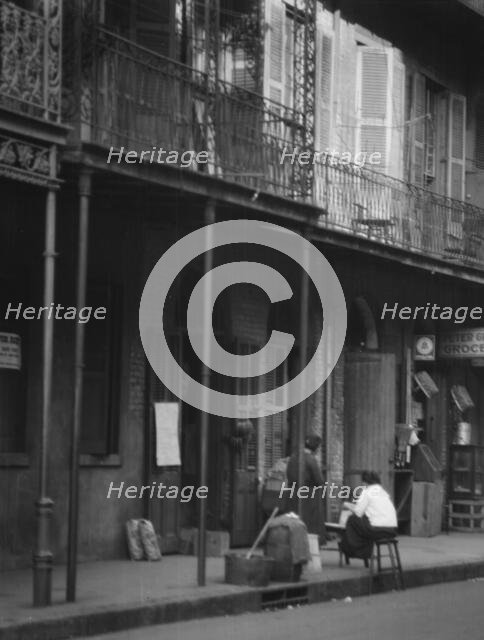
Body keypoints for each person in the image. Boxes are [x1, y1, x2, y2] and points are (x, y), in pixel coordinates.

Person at [339, 470, 398, 560]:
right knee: (365, 522)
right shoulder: (383, 493)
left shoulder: (367, 491)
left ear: (365, 482)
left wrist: (346, 505)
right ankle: (361, 551)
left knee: (352, 519)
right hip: (391, 530)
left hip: (377, 530)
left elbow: (358, 512)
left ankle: (355, 551)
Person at [285, 433, 326, 543]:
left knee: (295, 520)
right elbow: (319, 480)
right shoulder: (311, 460)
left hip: (293, 493)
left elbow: (288, 474)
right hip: (309, 496)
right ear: (315, 448)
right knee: (309, 525)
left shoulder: (293, 458)